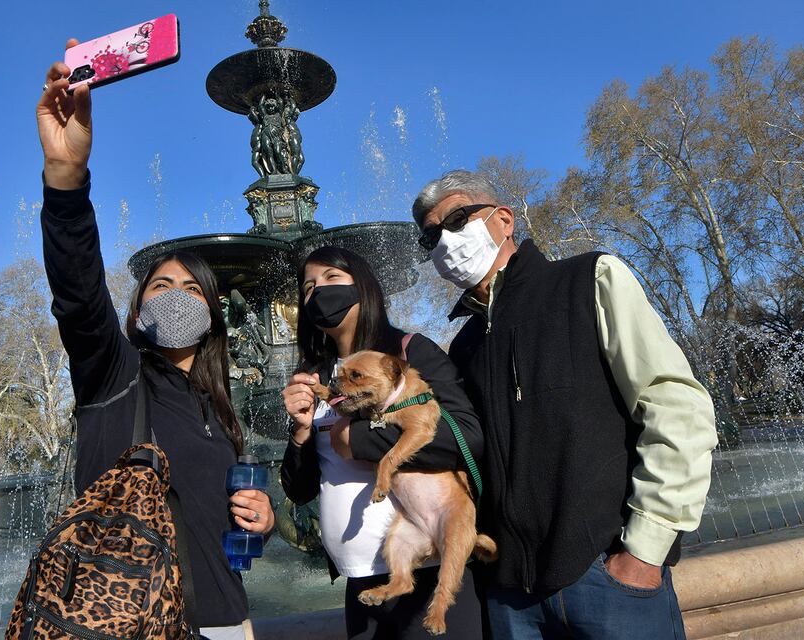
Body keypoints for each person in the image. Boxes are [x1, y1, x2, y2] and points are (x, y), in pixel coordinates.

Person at [411, 169, 719, 639]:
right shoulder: (463, 346)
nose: (445, 241)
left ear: (504, 220)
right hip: (511, 599)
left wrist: (644, 550)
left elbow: (675, 406)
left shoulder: (590, 280)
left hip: (608, 578)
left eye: (456, 219)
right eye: (430, 237)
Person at [37, 42, 274, 640]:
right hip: (128, 625)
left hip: (226, 624)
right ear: (139, 309)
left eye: (192, 289)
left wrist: (260, 522)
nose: (173, 295)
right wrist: (66, 178)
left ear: (215, 313)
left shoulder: (217, 405)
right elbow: (78, 291)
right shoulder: (115, 376)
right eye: (159, 285)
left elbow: (208, 522)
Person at [280, 246, 488, 639]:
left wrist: (358, 440)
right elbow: (300, 488)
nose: (317, 292)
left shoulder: (408, 353)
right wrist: (302, 431)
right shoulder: (314, 376)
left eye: (331, 279)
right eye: (308, 287)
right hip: (361, 583)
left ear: (364, 288)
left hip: (427, 570)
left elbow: (466, 436)